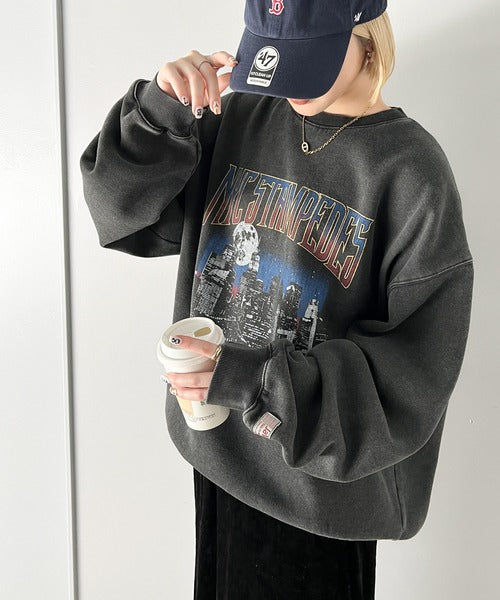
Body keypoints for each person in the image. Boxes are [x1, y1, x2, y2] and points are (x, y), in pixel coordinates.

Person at [80, 1, 474, 598]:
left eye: (305, 59)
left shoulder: (411, 172)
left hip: (319, 494)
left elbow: (413, 373)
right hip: (218, 456)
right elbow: (121, 214)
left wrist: (251, 382)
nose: (286, 83)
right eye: (275, 57)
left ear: (366, 33)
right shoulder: (238, 116)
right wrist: (160, 112)